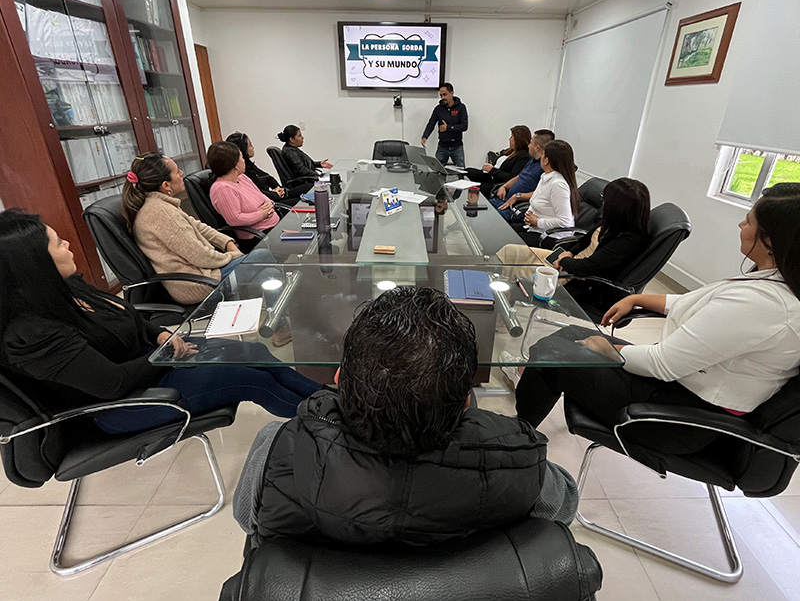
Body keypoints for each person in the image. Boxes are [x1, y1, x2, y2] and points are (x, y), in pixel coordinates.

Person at [233, 286, 578, 549]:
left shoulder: (276, 449)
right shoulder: (520, 462)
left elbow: (248, 519)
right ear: (465, 403)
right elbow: (562, 507)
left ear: (339, 379)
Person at [0, 210, 321, 433]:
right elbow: (112, 384)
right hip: (122, 405)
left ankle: (333, 402)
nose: (67, 244)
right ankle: (329, 426)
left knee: (257, 353)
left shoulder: (66, 289)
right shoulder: (30, 333)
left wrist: (159, 336)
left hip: (151, 363)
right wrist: (166, 353)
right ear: (34, 264)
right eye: (57, 243)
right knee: (254, 380)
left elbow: (129, 316)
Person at [515, 186, 800, 432]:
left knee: (549, 355)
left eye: (748, 221)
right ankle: (523, 425)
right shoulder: (774, 282)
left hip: (682, 413)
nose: (740, 225)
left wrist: (608, 348)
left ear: (771, 240)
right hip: (683, 383)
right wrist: (637, 299)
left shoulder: (763, 304)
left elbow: (661, 363)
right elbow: (694, 304)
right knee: (568, 335)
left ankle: (519, 436)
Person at [498, 177, 650, 310]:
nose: (604, 203)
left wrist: (565, 261)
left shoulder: (628, 240)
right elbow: (584, 241)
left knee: (516, 272)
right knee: (509, 251)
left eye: (606, 200)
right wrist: (569, 253)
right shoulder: (612, 222)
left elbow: (589, 267)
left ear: (618, 208)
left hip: (577, 278)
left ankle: (500, 308)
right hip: (571, 261)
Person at [122, 153, 245, 305]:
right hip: (199, 285)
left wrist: (226, 242)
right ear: (166, 185)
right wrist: (233, 256)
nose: (182, 173)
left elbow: (198, 226)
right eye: (177, 171)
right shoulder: (161, 213)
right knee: (261, 257)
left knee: (262, 267)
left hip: (202, 273)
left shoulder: (159, 205)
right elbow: (200, 255)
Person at [207, 141, 281, 243]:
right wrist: (262, 214)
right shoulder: (222, 189)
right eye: (242, 158)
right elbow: (235, 219)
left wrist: (270, 203)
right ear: (235, 165)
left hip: (275, 225)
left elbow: (260, 195)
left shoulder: (242, 177)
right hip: (258, 236)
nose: (244, 160)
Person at [489, 129, 555, 221]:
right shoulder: (532, 161)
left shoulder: (545, 168)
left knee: (488, 219)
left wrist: (518, 196)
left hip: (518, 207)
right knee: (480, 208)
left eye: (531, 143)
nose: (528, 146)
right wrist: (504, 186)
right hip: (506, 200)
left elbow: (542, 193)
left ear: (537, 148)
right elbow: (519, 176)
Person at [225, 131, 301, 207]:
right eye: (250, 145)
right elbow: (256, 193)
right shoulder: (241, 173)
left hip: (274, 196)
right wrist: (275, 194)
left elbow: (267, 177)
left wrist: (279, 188)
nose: (253, 147)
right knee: (299, 202)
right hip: (268, 202)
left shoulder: (249, 165)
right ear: (242, 150)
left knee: (305, 190)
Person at [464, 125, 532, 197]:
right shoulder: (510, 151)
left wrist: (492, 170)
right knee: (468, 171)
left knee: (474, 188)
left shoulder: (523, 157)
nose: (509, 139)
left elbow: (511, 177)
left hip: (496, 183)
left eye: (512, 137)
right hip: (490, 175)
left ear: (518, 140)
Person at [421, 83, 469, 168]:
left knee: (461, 171)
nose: (442, 97)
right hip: (442, 147)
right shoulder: (438, 109)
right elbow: (431, 123)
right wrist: (425, 136)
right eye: (441, 95)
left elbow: (464, 126)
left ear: (452, 93)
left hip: (457, 147)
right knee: (436, 170)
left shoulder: (461, 107)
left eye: (445, 94)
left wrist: (448, 128)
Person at [277, 125, 332, 191]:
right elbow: (302, 170)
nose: (302, 138)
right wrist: (319, 177)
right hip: (305, 183)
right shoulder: (290, 152)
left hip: (308, 179)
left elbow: (303, 164)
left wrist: (319, 164)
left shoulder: (292, 149)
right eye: (299, 136)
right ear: (291, 139)